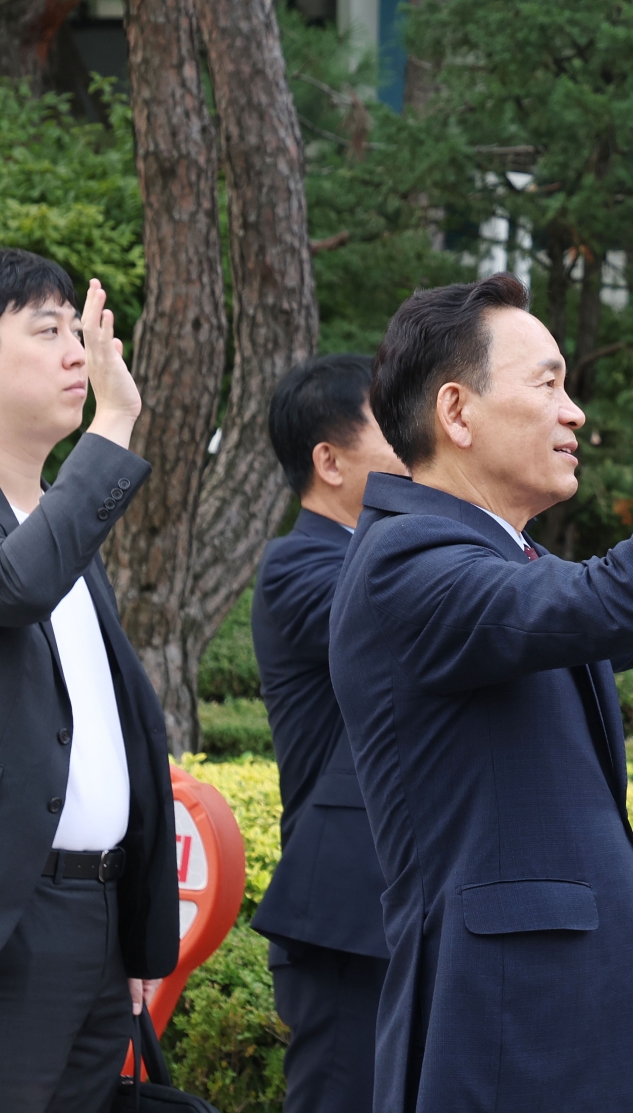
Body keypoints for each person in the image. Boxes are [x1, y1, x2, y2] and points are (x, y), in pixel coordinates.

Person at [329, 247, 633, 1112]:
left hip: (552, 1032)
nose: (576, 412)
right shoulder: (406, 562)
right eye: (549, 385)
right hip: (504, 1037)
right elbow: (623, 598)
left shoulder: (497, 557)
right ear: (457, 410)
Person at [0, 247, 178, 1111]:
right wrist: (112, 427)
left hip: (101, 920)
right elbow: (11, 582)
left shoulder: (60, 521)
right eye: (49, 332)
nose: (78, 353)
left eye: (79, 333)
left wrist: (128, 940)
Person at [250, 354, 407, 1113]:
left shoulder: (396, 560)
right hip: (350, 920)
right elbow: (405, 616)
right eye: (393, 423)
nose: (418, 438)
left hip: (416, 910)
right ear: (330, 460)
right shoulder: (299, 566)